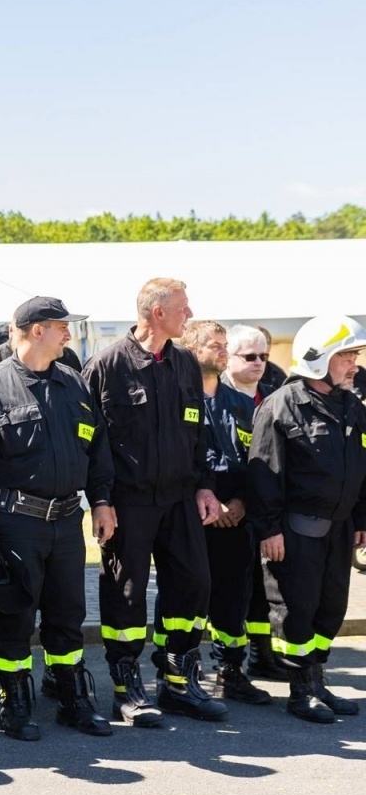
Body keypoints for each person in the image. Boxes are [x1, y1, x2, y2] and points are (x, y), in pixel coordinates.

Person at [0, 297, 117, 740]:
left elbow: (97, 448)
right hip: (15, 522)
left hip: (66, 520)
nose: (68, 333)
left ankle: (72, 699)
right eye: (61, 326)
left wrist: (102, 501)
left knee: (67, 613)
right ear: (36, 330)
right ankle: (14, 701)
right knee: (14, 615)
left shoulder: (74, 383)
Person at [82, 278, 222, 727]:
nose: (190, 314)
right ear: (157, 312)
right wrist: (100, 500)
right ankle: (127, 689)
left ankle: (179, 682)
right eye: (183, 307)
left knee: (193, 583)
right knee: (125, 594)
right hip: (129, 501)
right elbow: (91, 442)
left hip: (180, 498)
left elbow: (197, 430)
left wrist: (204, 486)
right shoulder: (106, 366)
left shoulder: (185, 363)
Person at [245, 315, 366, 723]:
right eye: (346, 356)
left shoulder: (351, 406)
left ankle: (317, 680)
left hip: (339, 528)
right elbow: (264, 475)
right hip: (295, 531)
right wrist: (269, 530)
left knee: (330, 608)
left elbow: (362, 466)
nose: (354, 365)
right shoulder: (281, 406)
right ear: (319, 359)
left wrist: (362, 519)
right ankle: (299, 690)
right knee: (297, 609)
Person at [179, 320, 270, 705]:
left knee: (234, 600)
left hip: (236, 520)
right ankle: (180, 672)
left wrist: (241, 503)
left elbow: (258, 461)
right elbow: (177, 461)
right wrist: (210, 501)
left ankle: (230, 672)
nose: (222, 350)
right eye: (215, 345)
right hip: (193, 519)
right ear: (192, 351)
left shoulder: (242, 404)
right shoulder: (179, 400)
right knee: (188, 597)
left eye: (224, 345)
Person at [222, 323, 286, 680]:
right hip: (226, 513)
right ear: (228, 356)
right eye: (249, 356)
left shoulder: (277, 396)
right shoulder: (213, 398)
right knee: (232, 590)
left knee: (264, 589)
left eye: (263, 355)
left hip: (266, 511)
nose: (259, 362)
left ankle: (263, 656)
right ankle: (229, 667)